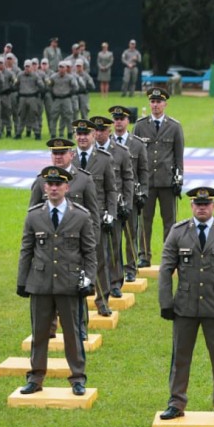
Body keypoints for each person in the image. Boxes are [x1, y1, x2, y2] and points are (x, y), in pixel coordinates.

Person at [158, 187, 214, 421]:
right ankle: (176, 402)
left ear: (213, 206)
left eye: (206, 204)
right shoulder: (178, 233)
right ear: (192, 206)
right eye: (198, 204)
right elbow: (165, 269)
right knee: (181, 356)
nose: (202, 208)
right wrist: (166, 302)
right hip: (185, 306)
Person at [17, 166, 97, 396]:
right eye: (50, 184)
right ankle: (35, 377)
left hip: (69, 283)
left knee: (72, 334)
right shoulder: (34, 215)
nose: (54, 188)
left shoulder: (80, 216)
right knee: (39, 333)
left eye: (58, 184)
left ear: (66, 187)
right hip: (41, 283)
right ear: (45, 187)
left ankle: (77, 378)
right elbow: (26, 251)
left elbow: (90, 252)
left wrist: (88, 279)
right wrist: (22, 282)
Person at [132, 87, 184, 266]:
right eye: (152, 102)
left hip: (167, 181)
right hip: (147, 182)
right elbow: (134, 155)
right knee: (145, 220)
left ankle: (169, 256)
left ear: (165, 104)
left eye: (159, 102)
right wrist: (135, 181)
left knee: (170, 222)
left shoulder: (174, 126)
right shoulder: (140, 125)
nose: (155, 105)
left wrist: (179, 178)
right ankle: (144, 256)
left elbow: (178, 156)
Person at [72, 119, 118, 317]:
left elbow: (111, 190)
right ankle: (73, 304)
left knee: (99, 260)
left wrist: (111, 214)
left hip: (95, 219)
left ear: (93, 136)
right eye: (79, 134)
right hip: (71, 220)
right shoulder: (68, 157)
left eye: (86, 134)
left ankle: (102, 301)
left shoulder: (104, 159)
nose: (82, 137)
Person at [92, 115, 134, 299]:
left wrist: (128, 204)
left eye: (102, 130)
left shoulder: (121, 152)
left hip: (114, 205)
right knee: (94, 248)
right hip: (92, 206)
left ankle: (115, 282)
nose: (99, 133)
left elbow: (128, 179)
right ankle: (96, 282)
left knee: (114, 245)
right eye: (96, 130)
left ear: (109, 131)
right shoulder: (89, 152)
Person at [110, 105, 149, 281]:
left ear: (127, 121)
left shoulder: (137, 144)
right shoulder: (106, 143)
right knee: (114, 237)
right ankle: (115, 270)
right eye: (115, 119)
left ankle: (131, 268)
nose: (118, 122)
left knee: (131, 233)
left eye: (121, 119)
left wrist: (143, 193)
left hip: (130, 195)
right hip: (111, 197)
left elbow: (143, 171)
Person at [47, 61, 78, 139]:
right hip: (56, 99)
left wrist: (70, 93)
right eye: (60, 67)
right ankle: (53, 134)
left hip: (66, 99)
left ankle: (70, 133)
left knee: (69, 116)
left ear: (66, 68)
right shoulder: (53, 77)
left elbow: (75, 87)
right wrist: (53, 94)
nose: (61, 69)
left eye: (63, 67)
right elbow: (49, 86)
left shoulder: (70, 77)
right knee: (53, 116)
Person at [15, 59, 45, 140]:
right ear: (24, 67)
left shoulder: (35, 75)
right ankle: (18, 133)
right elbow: (16, 85)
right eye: (26, 67)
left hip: (32, 97)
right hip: (23, 97)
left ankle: (37, 133)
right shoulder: (20, 75)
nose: (27, 68)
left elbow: (41, 85)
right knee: (21, 116)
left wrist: (39, 92)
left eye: (28, 67)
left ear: (31, 67)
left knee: (33, 116)